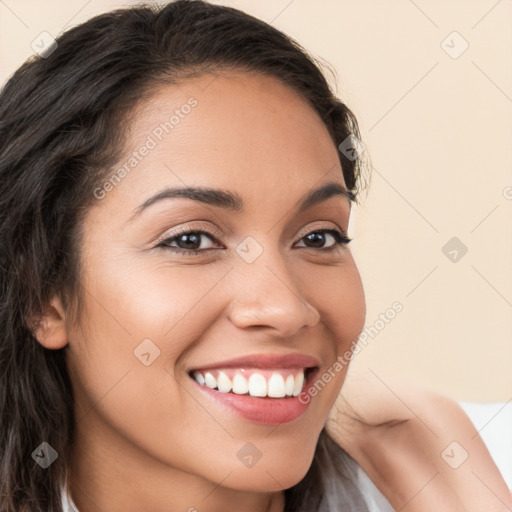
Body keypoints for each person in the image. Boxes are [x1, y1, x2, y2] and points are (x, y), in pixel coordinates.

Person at [0, 1, 510, 511]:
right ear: (44, 295)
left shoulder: (480, 468)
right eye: (190, 240)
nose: (285, 309)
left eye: (318, 237)